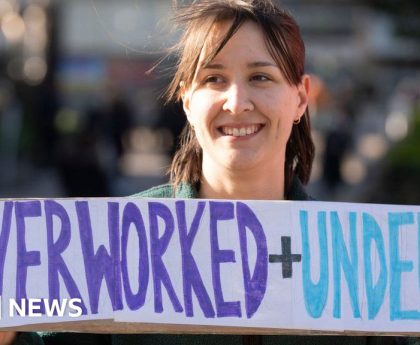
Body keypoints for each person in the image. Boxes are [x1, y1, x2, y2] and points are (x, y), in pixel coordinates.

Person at [2, 0, 404, 344]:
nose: (236, 101)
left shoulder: (364, 263)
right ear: (187, 101)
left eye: (260, 77)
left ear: (300, 98)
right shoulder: (114, 245)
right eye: (214, 78)